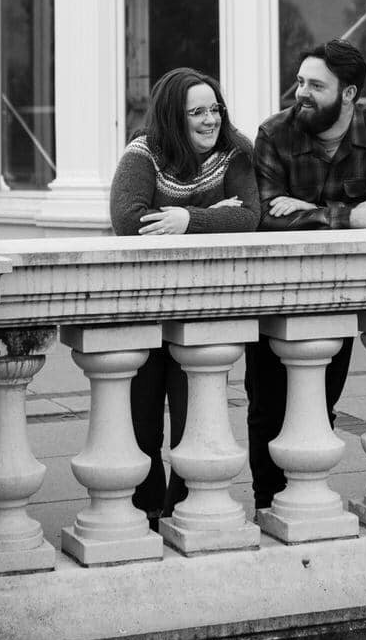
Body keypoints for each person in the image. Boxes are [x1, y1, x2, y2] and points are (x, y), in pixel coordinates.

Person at [246, 38, 366, 511]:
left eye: (316, 85)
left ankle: (306, 494)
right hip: (275, 293)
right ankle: (266, 502)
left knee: (322, 402)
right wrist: (350, 215)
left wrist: (310, 210)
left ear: (348, 93)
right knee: (266, 406)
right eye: (300, 81)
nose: (302, 92)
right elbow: (264, 217)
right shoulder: (274, 133)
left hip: (339, 294)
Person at [110, 67, 260, 525]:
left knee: (193, 414)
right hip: (142, 307)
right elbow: (129, 221)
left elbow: (249, 216)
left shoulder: (236, 151)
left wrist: (187, 220)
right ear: (173, 116)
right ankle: (146, 508)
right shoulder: (143, 154)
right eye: (197, 112)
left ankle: (179, 507)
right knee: (141, 419)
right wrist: (209, 213)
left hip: (201, 308)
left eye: (215, 109)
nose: (210, 119)